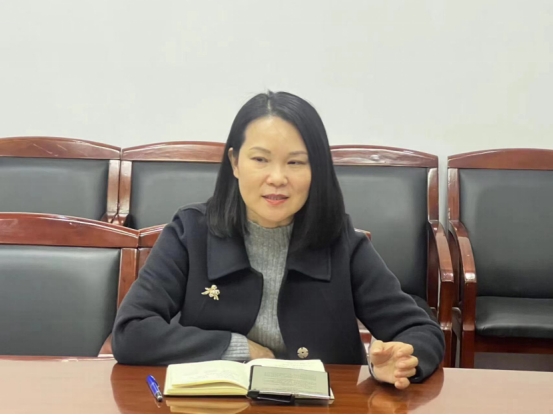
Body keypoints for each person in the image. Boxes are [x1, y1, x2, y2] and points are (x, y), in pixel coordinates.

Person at [112, 91, 444, 389]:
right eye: (260, 160)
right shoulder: (191, 232)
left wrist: (402, 360)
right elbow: (131, 331)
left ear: (316, 170)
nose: (277, 178)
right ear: (235, 163)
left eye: (295, 162)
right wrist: (240, 347)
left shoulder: (341, 240)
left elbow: (421, 330)